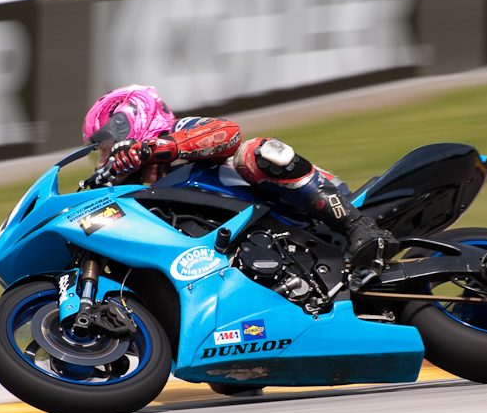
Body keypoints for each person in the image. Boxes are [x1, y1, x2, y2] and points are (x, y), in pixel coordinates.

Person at [82, 85, 399, 274]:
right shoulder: (132, 186)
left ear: (133, 118)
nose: (107, 154)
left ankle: (357, 225)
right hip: (254, 250)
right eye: (101, 150)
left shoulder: (179, 132)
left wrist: (152, 149)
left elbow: (229, 134)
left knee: (254, 152)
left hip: (297, 214)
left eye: (109, 143)